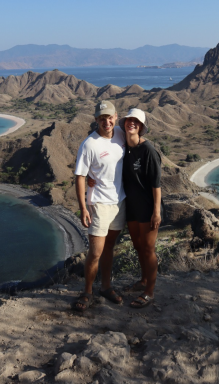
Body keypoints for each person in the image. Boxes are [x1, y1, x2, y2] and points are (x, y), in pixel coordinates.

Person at [88, 108, 161, 308]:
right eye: (130, 120)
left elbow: (156, 184)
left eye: (136, 122)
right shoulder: (123, 146)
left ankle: (149, 292)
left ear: (142, 127)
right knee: (138, 247)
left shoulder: (148, 150)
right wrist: (90, 177)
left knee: (148, 249)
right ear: (125, 122)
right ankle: (144, 280)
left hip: (147, 208)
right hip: (130, 207)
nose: (132, 124)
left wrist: (156, 211)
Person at [73, 100, 126, 312]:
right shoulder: (89, 144)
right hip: (99, 204)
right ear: (96, 120)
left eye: (110, 117)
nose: (107, 122)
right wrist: (83, 207)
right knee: (95, 252)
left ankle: (105, 287)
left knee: (109, 249)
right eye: (102, 118)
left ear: (115, 117)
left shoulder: (121, 134)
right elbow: (79, 177)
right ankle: (87, 291)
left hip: (119, 202)